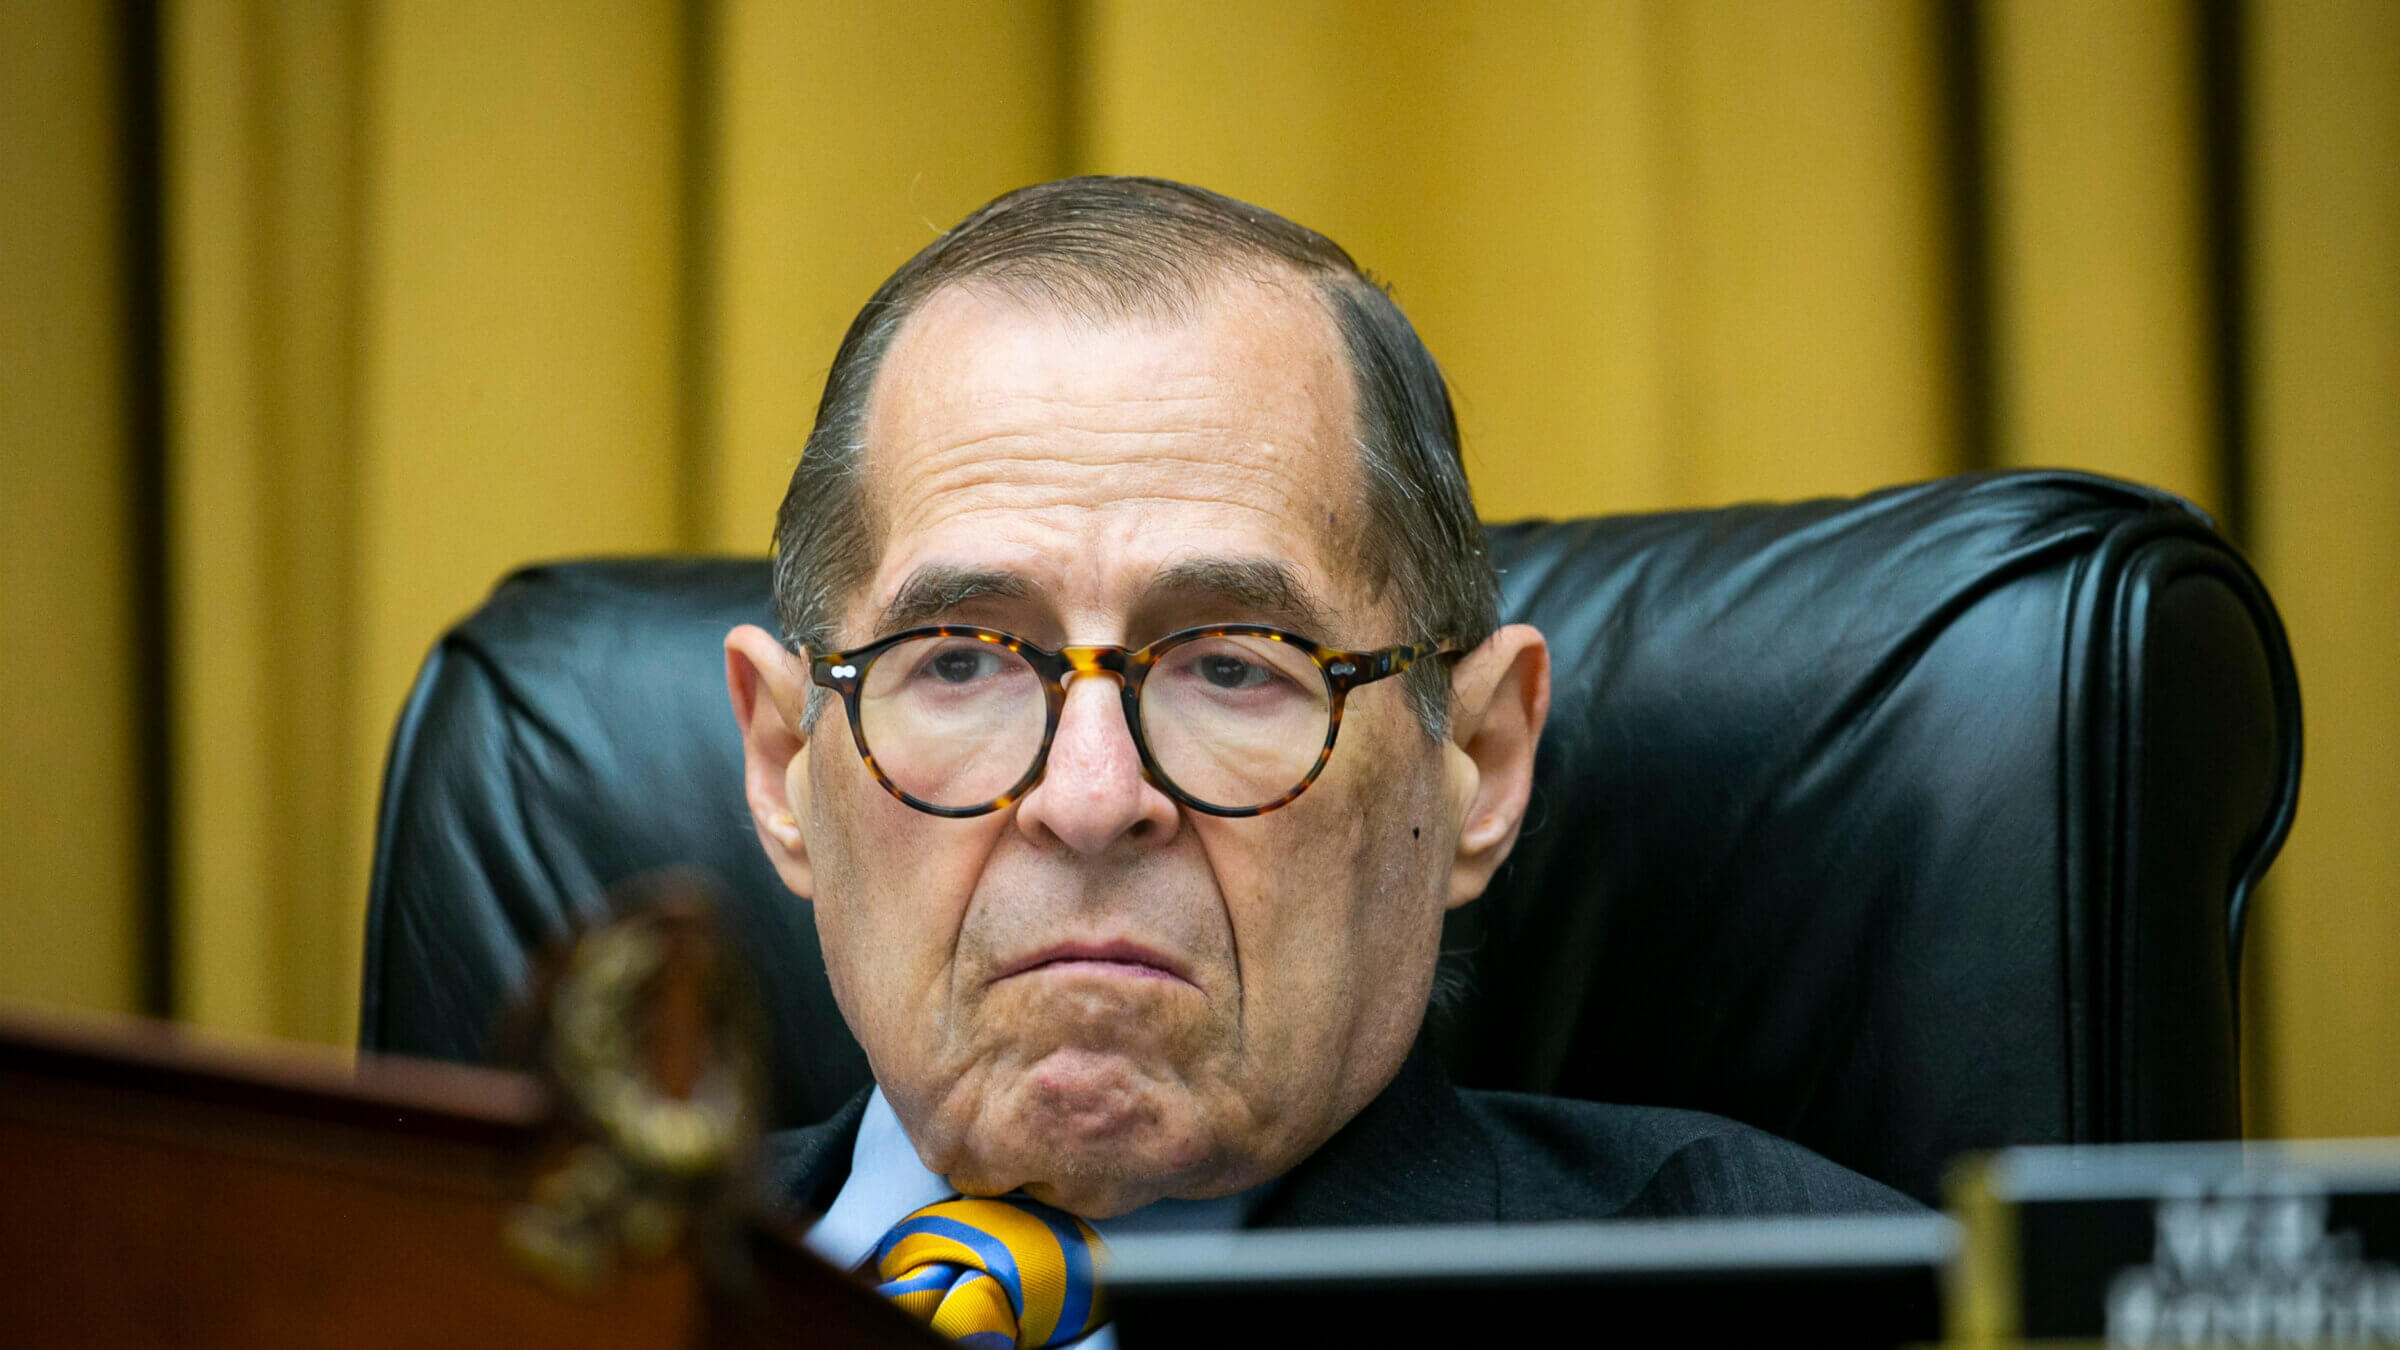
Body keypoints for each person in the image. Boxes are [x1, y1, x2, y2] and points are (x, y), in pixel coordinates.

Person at [722, 176, 1909, 1342]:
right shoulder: (557, 1294)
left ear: (1480, 764)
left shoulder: (1831, 1305)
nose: (1089, 799)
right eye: (961, 663)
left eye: (1233, 666)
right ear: (784, 765)